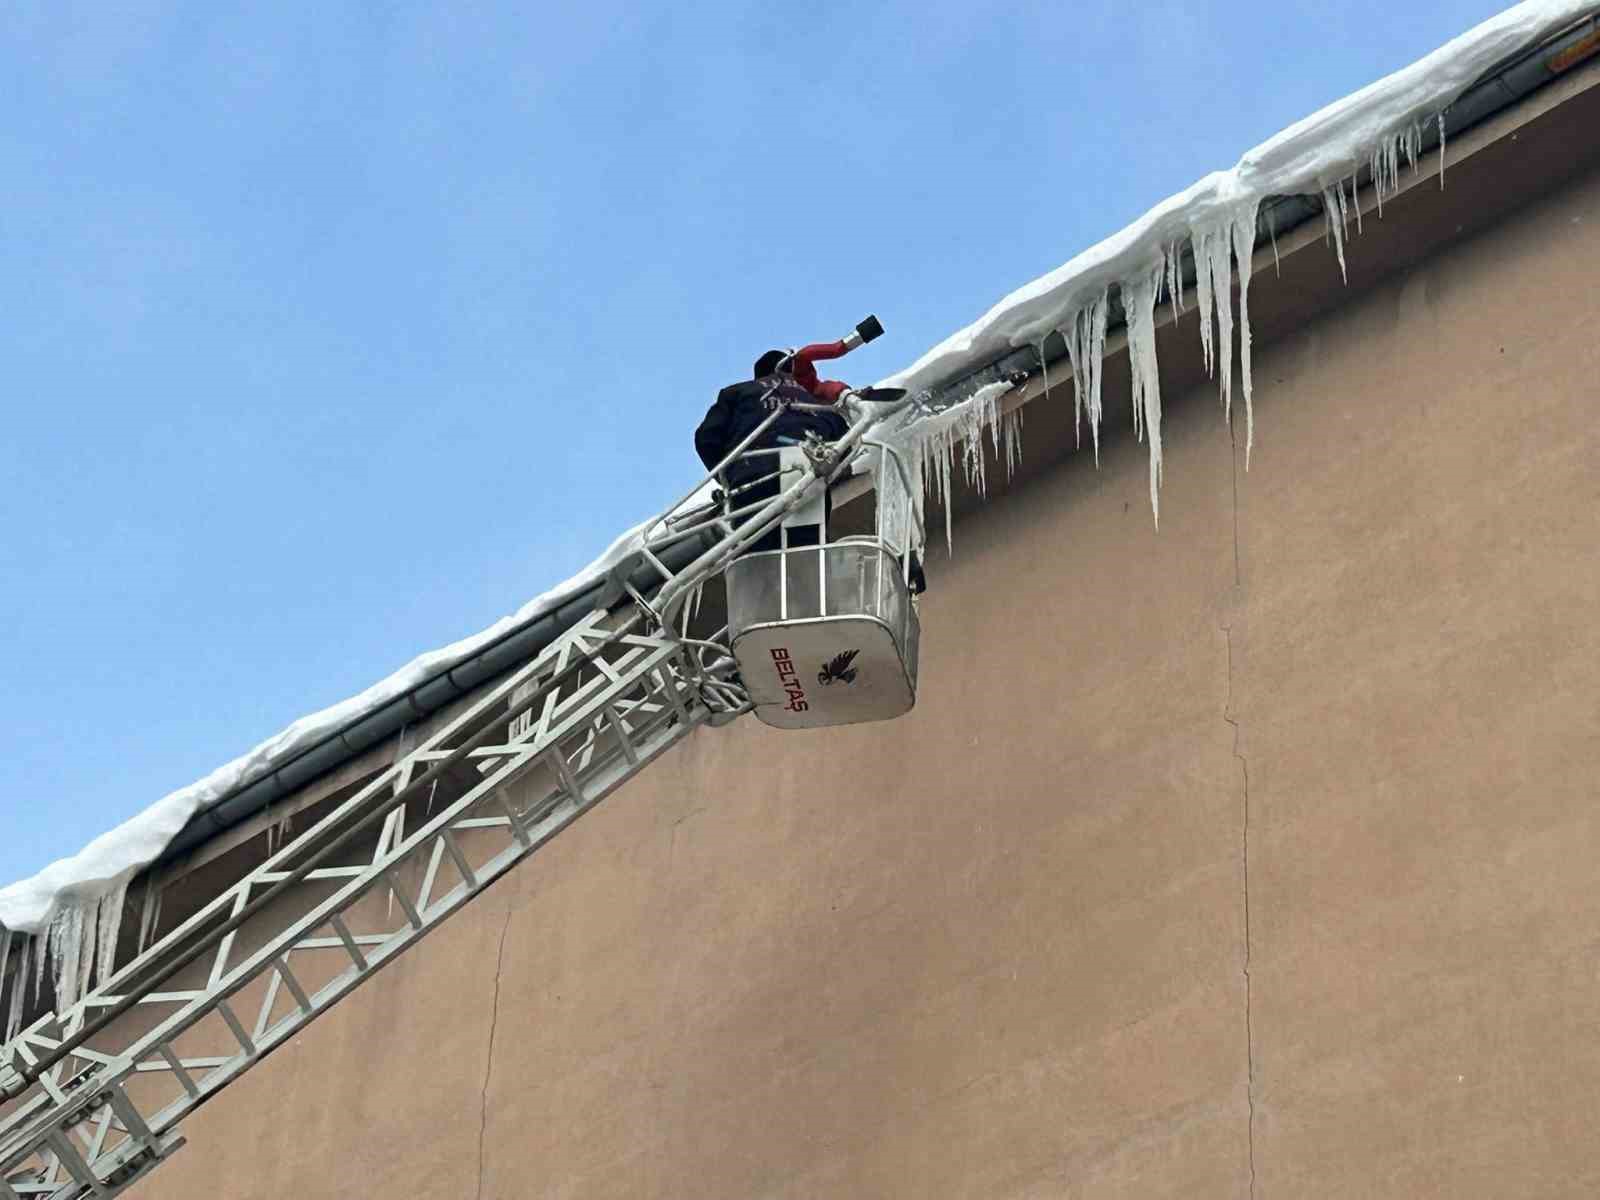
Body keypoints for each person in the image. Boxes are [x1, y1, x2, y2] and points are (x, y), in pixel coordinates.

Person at [695, 341, 856, 553]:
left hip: (751, 477)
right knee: (807, 555)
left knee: (755, 553)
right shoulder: (817, 402)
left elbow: (706, 438)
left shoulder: (737, 393)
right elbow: (845, 444)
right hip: (807, 476)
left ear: (758, 375)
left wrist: (728, 475)